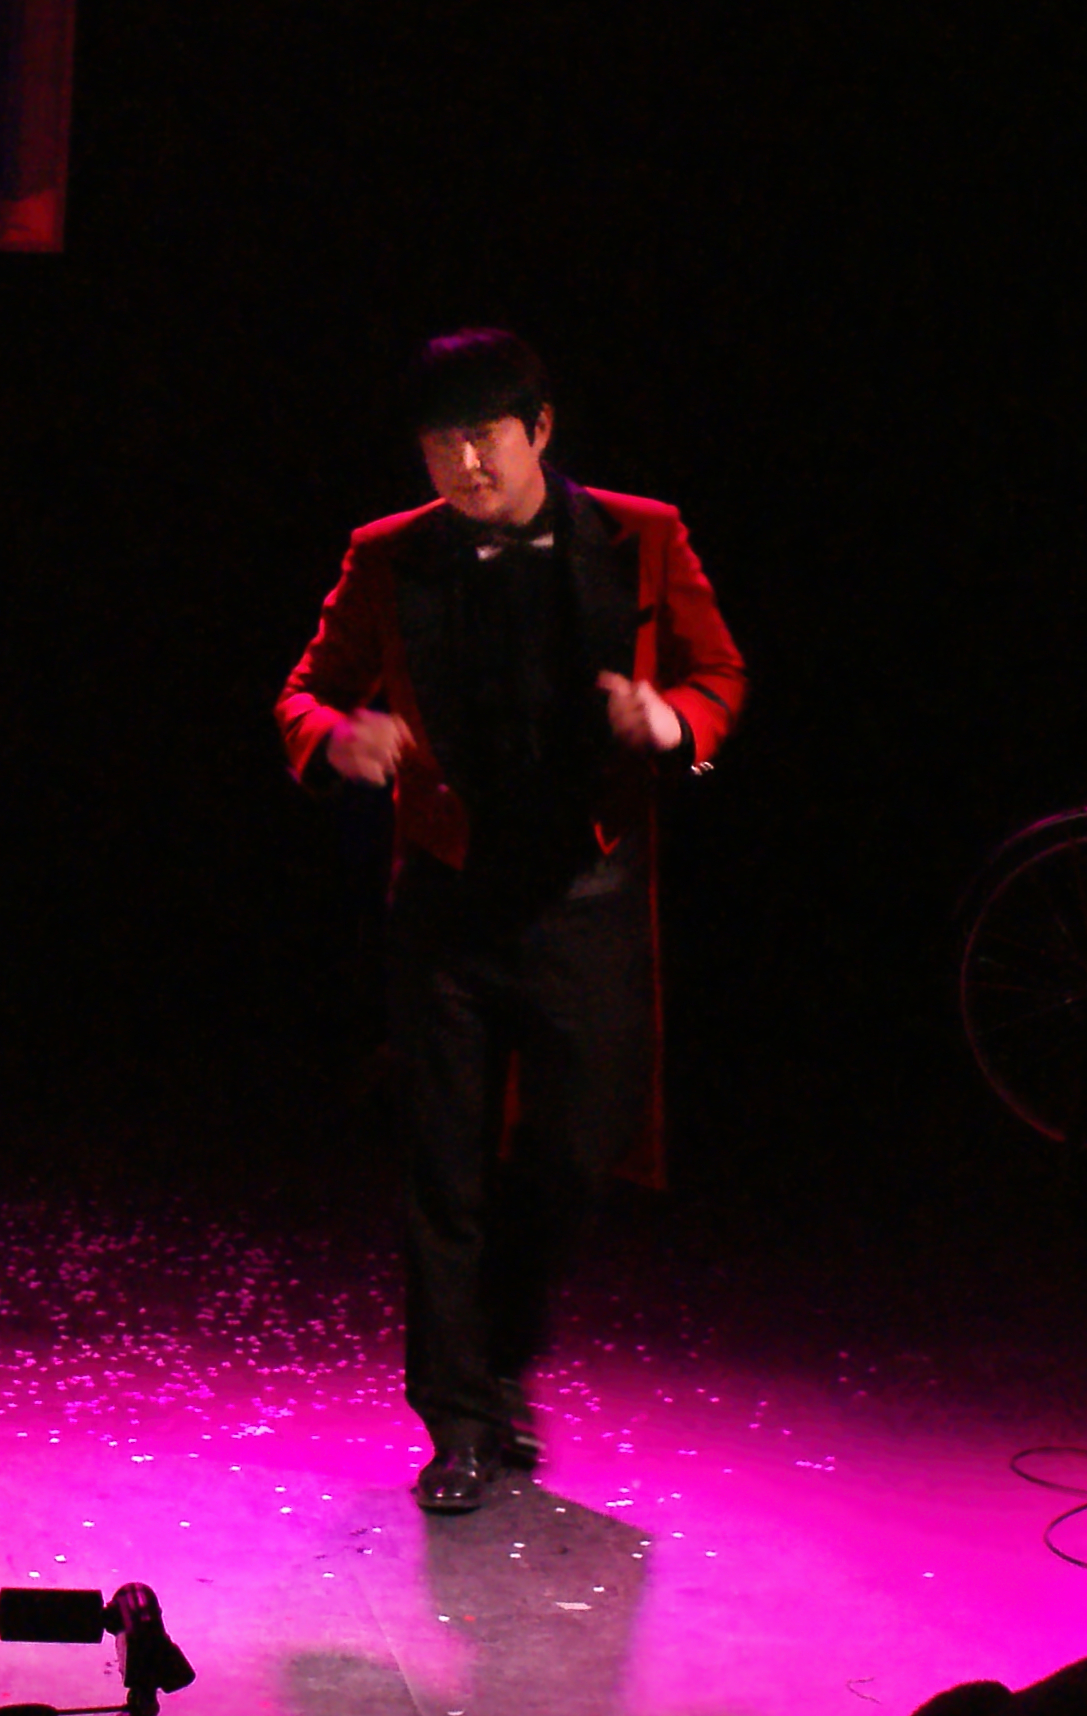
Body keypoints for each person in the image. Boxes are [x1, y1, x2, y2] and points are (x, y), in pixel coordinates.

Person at [275, 329, 746, 1514]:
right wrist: (336, 740)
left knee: (575, 1153)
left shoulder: (641, 534)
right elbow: (306, 690)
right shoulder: (388, 553)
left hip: (586, 898)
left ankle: (498, 1356)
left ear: (539, 429)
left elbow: (719, 676)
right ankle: (458, 1420)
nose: (466, 465)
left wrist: (673, 723)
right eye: (442, 444)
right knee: (442, 1166)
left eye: (484, 437)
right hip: (447, 900)